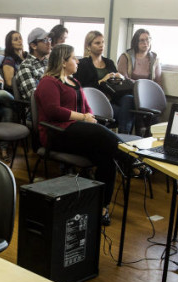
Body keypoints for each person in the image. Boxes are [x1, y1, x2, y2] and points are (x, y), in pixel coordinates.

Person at [34, 44, 119, 225]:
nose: (78, 61)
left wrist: (91, 118)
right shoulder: (48, 82)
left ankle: (102, 207)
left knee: (107, 157)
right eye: (74, 58)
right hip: (57, 133)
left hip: (78, 132)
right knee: (101, 137)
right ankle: (131, 158)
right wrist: (84, 118)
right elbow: (53, 111)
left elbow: (87, 108)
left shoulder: (75, 82)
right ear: (63, 62)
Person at [74, 30, 135, 134]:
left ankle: (123, 135)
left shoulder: (109, 62)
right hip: (95, 102)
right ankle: (123, 136)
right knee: (126, 113)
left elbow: (117, 86)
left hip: (112, 98)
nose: (101, 45)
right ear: (88, 46)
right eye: (97, 43)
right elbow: (82, 88)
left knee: (129, 99)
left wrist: (119, 77)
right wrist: (102, 81)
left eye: (103, 42)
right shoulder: (83, 64)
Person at [16, 27, 52, 102]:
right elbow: (34, 96)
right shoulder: (26, 66)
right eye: (45, 40)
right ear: (33, 46)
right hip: (38, 109)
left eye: (49, 39)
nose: (49, 43)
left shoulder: (49, 63)